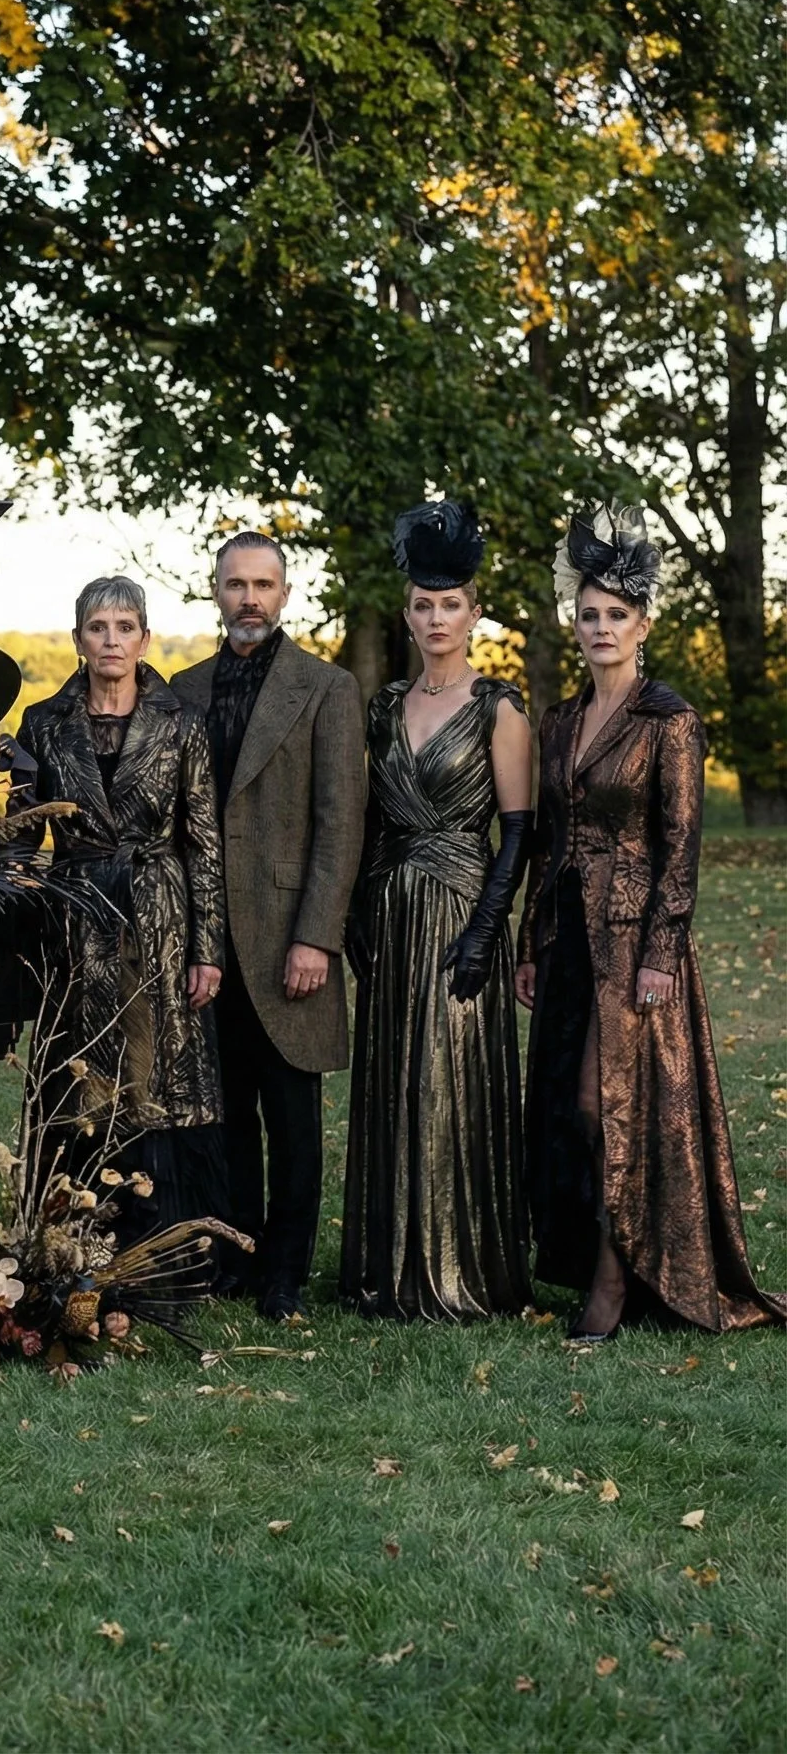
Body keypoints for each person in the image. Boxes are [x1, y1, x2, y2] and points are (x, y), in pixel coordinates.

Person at [515, 504, 786, 1343]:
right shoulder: (559, 719)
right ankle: (598, 1256)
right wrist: (530, 943)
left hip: (635, 942)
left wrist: (663, 953)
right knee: (565, 1110)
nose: (600, 628)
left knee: (608, 1107)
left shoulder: (669, 719)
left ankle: (615, 1276)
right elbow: (547, 839)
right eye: (588, 614)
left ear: (643, 625)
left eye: (616, 616)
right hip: (566, 936)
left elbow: (683, 845)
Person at [339, 502, 534, 1320]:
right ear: (408, 612)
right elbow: (373, 823)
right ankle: (386, 1269)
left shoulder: (501, 708)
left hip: (462, 914)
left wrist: (485, 934)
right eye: (423, 604)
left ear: (474, 611)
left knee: (454, 1083)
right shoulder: (382, 707)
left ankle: (464, 1270)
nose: (436, 618)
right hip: (391, 915)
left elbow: (519, 833)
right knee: (391, 1079)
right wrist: (357, 918)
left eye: (451, 604)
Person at [173, 531, 364, 1323]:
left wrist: (317, 935)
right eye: (235, 585)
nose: (249, 599)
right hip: (207, 942)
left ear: (286, 594)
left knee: (290, 1119)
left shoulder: (326, 688)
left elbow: (341, 821)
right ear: (215, 592)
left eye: (264, 585)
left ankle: (284, 1274)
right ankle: (235, 1257)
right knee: (226, 1111)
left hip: (291, 936)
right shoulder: (179, 691)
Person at [18, 575, 226, 1229]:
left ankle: (161, 1245)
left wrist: (207, 950)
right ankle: (69, 1246)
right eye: (98, 627)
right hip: (75, 922)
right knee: (75, 1078)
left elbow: (205, 844)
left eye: (124, 627)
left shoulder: (181, 723)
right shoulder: (42, 723)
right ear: (79, 638)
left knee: (155, 1080)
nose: (111, 640)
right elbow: (23, 841)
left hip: (158, 919)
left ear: (144, 637)